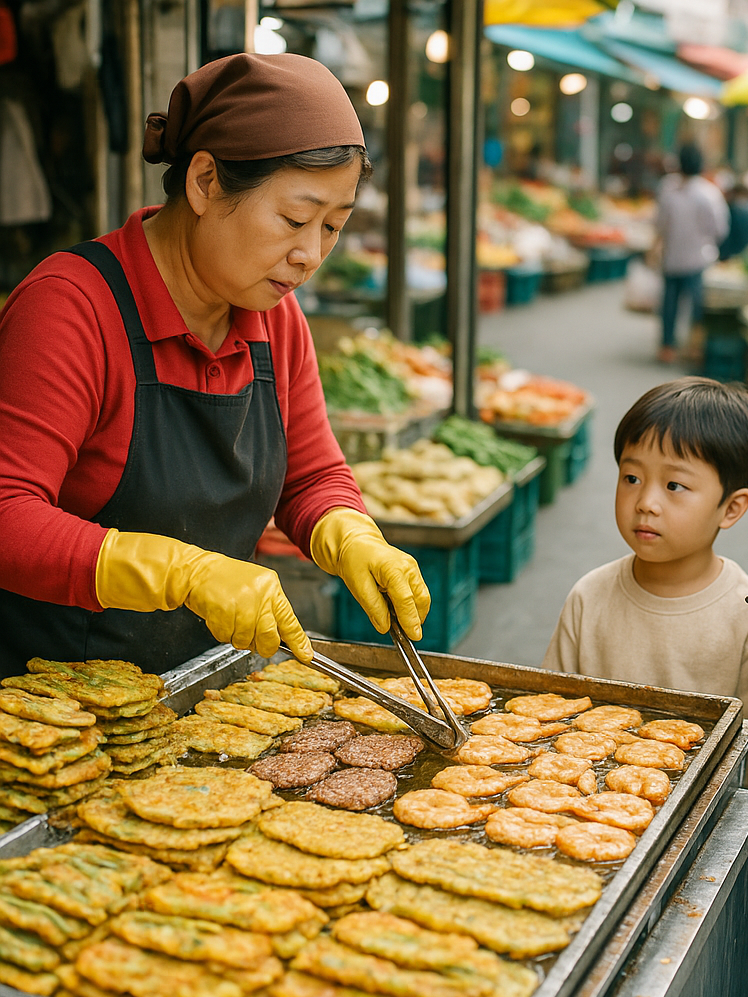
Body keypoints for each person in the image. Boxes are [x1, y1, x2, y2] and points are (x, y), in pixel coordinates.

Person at [0, 53, 430, 678]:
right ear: (204, 182)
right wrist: (183, 572)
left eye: (333, 227)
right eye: (294, 219)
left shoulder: (274, 318)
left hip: (201, 695)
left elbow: (310, 477)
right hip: (55, 706)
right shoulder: (72, 308)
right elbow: (8, 514)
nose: (311, 255)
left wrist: (351, 533)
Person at [543, 378, 748, 787]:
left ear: (731, 507)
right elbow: (549, 713)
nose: (646, 502)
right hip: (584, 803)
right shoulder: (590, 596)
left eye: (674, 486)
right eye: (631, 478)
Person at [655, 143, 729, 365]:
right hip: (699, 259)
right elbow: (720, 229)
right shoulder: (709, 193)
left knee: (669, 305)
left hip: (672, 258)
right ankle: (695, 349)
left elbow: (660, 224)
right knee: (698, 307)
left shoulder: (668, 190)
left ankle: (667, 347)